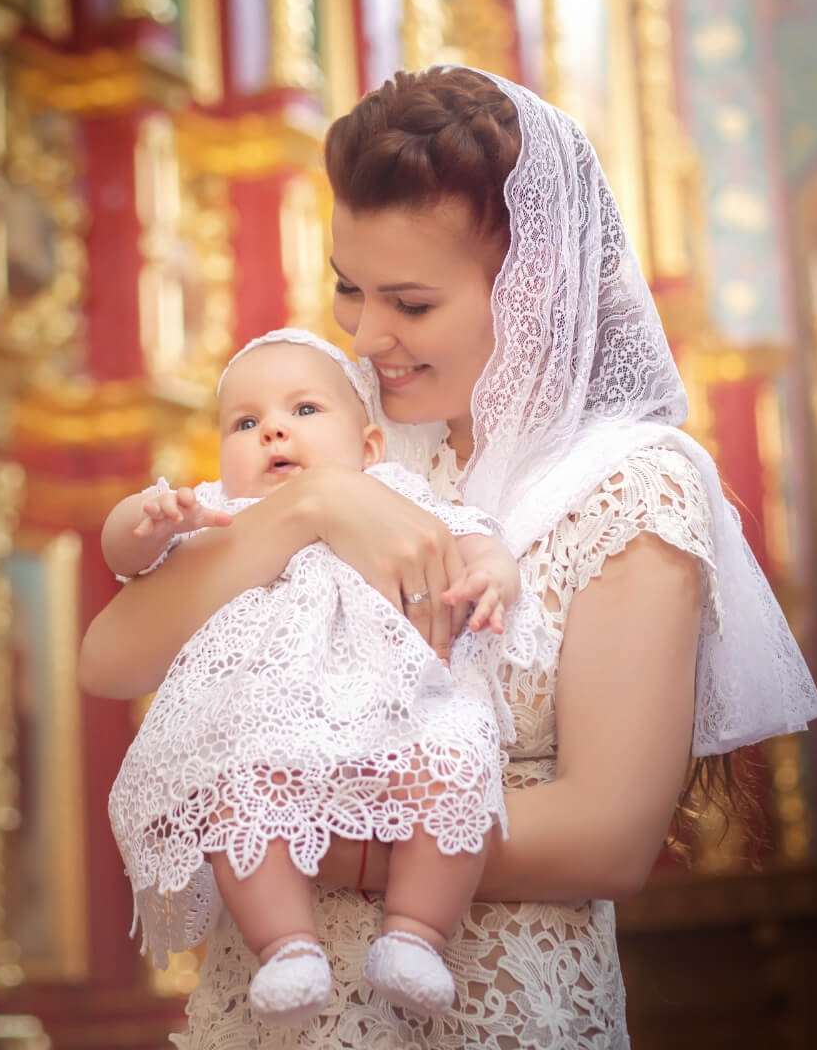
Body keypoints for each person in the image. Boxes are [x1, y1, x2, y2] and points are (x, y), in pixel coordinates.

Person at [80, 66, 817, 1048]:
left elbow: (608, 838)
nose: (367, 335)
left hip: (493, 1011)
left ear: (532, 290)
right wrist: (316, 503)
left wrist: (299, 846)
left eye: (411, 303)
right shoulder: (341, 443)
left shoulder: (633, 485)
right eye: (350, 289)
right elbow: (114, 659)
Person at [101, 328, 549, 1023]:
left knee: (453, 771)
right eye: (247, 423)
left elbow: (469, 533)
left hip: (398, 709)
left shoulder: (396, 493)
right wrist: (147, 521)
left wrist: (493, 570)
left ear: (369, 447)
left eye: (304, 410)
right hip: (270, 722)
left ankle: (416, 934)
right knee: (238, 796)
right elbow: (125, 562)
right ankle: (286, 946)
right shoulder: (224, 512)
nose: (273, 429)